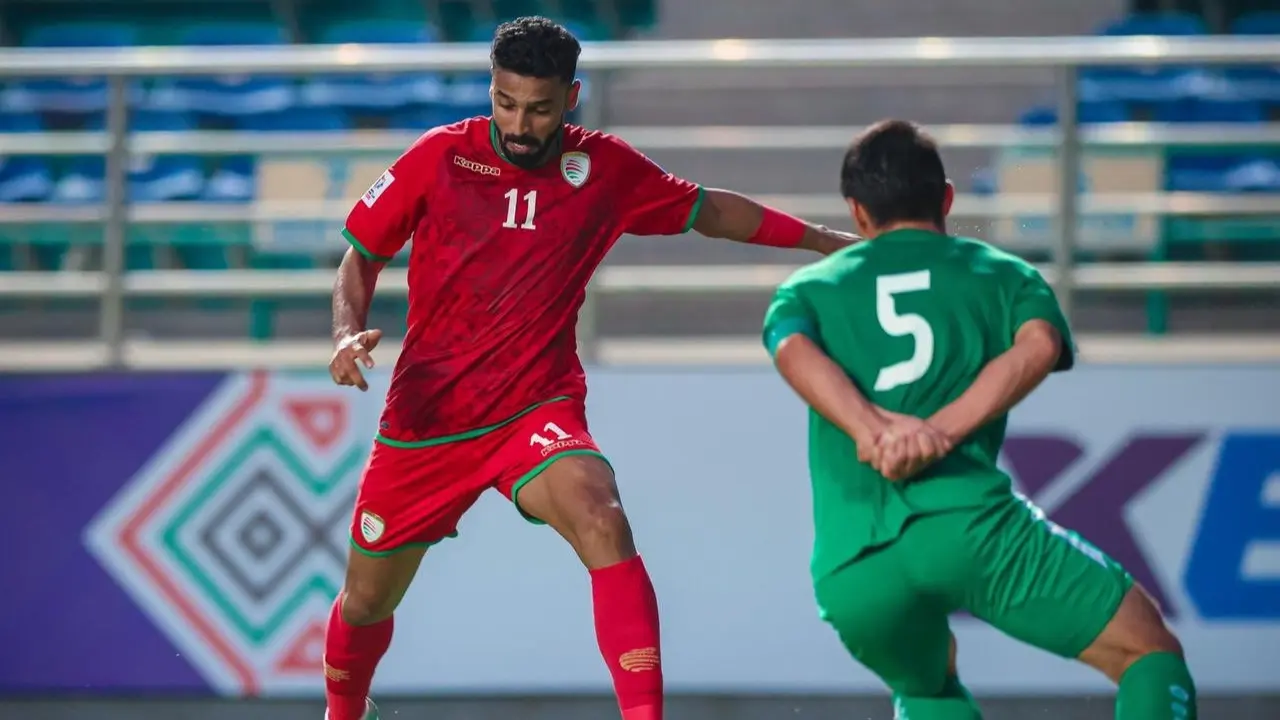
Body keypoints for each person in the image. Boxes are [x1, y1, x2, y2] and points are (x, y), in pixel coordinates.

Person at [322, 15, 856, 720]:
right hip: (428, 421)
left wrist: (822, 241)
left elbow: (709, 211)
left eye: (539, 108)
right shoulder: (439, 157)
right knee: (365, 601)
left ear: (571, 98)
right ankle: (344, 712)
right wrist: (345, 334)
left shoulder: (605, 170)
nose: (519, 124)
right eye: (506, 103)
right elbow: (361, 255)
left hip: (533, 408)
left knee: (603, 518)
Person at [761, 119, 1196, 720]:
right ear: (946, 198)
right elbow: (1039, 344)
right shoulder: (1003, 273)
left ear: (857, 212)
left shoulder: (808, 288)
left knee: (927, 689)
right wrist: (939, 433)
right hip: (971, 528)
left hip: (852, 563)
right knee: (1148, 652)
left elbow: (792, 349)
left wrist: (874, 433)